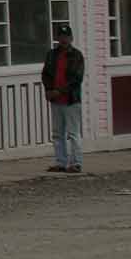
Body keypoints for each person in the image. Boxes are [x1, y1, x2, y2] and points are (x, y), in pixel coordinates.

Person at [43, 23, 85, 174]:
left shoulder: (77, 55)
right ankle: (61, 162)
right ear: (57, 38)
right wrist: (48, 90)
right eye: (61, 36)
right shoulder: (51, 54)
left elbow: (76, 78)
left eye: (66, 36)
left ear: (71, 38)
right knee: (57, 133)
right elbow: (46, 74)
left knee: (73, 133)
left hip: (71, 100)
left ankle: (76, 163)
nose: (64, 39)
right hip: (56, 100)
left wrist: (58, 91)